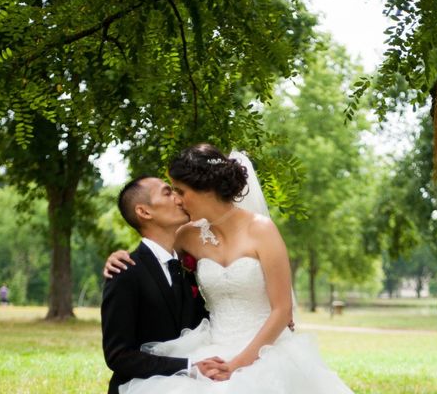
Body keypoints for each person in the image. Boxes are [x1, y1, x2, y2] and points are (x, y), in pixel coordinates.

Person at [105, 144, 353, 394]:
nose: (178, 200)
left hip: (266, 350)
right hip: (213, 345)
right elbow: (155, 256)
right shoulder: (187, 235)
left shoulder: (262, 230)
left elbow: (282, 309)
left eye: (180, 191)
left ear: (204, 189)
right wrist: (119, 257)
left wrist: (238, 364)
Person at [101, 175, 225, 394]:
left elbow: (204, 321)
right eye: (168, 193)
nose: (178, 199)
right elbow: (118, 356)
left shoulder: (187, 264)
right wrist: (188, 368)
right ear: (144, 212)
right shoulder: (124, 272)